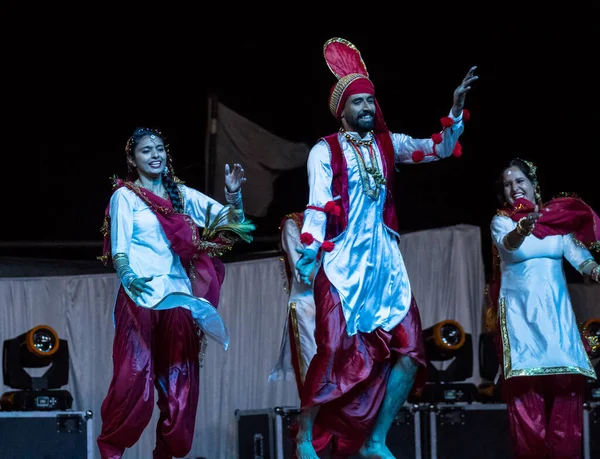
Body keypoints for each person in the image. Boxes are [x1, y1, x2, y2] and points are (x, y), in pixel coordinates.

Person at [293, 37, 478, 458]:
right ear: (341, 110)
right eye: (358, 103)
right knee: (332, 350)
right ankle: (303, 433)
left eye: (371, 103)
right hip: (342, 263)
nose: (367, 110)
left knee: (411, 353)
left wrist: (453, 110)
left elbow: (438, 149)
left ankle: (375, 440)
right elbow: (318, 204)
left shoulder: (387, 144)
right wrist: (309, 252)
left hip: (386, 266)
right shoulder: (325, 150)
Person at [96, 127, 254, 459]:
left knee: (180, 388)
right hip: (140, 297)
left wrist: (233, 195)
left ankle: (167, 454)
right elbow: (119, 248)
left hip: (179, 299)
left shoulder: (181, 196)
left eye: (159, 149)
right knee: (133, 382)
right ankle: (111, 452)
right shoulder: (125, 196)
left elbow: (233, 224)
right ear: (132, 160)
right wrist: (126, 274)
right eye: (145, 151)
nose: (154, 155)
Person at [485, 158, 600, 458]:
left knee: (566, 403)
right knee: (527, 408)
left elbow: (580, 257)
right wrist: (522, 229)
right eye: (508, 184)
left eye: (519, 181)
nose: (514, 188)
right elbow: (507, 245)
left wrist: (593, 269)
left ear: (533, 185)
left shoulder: (556, 224)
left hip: (557, 321)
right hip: (521, 322)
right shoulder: (503, 221)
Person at [269, 211, 318, 395]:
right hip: (309, 308)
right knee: (314, 376)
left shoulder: (341, 220)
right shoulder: (294, 224)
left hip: (337, 305)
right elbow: (303, 273)